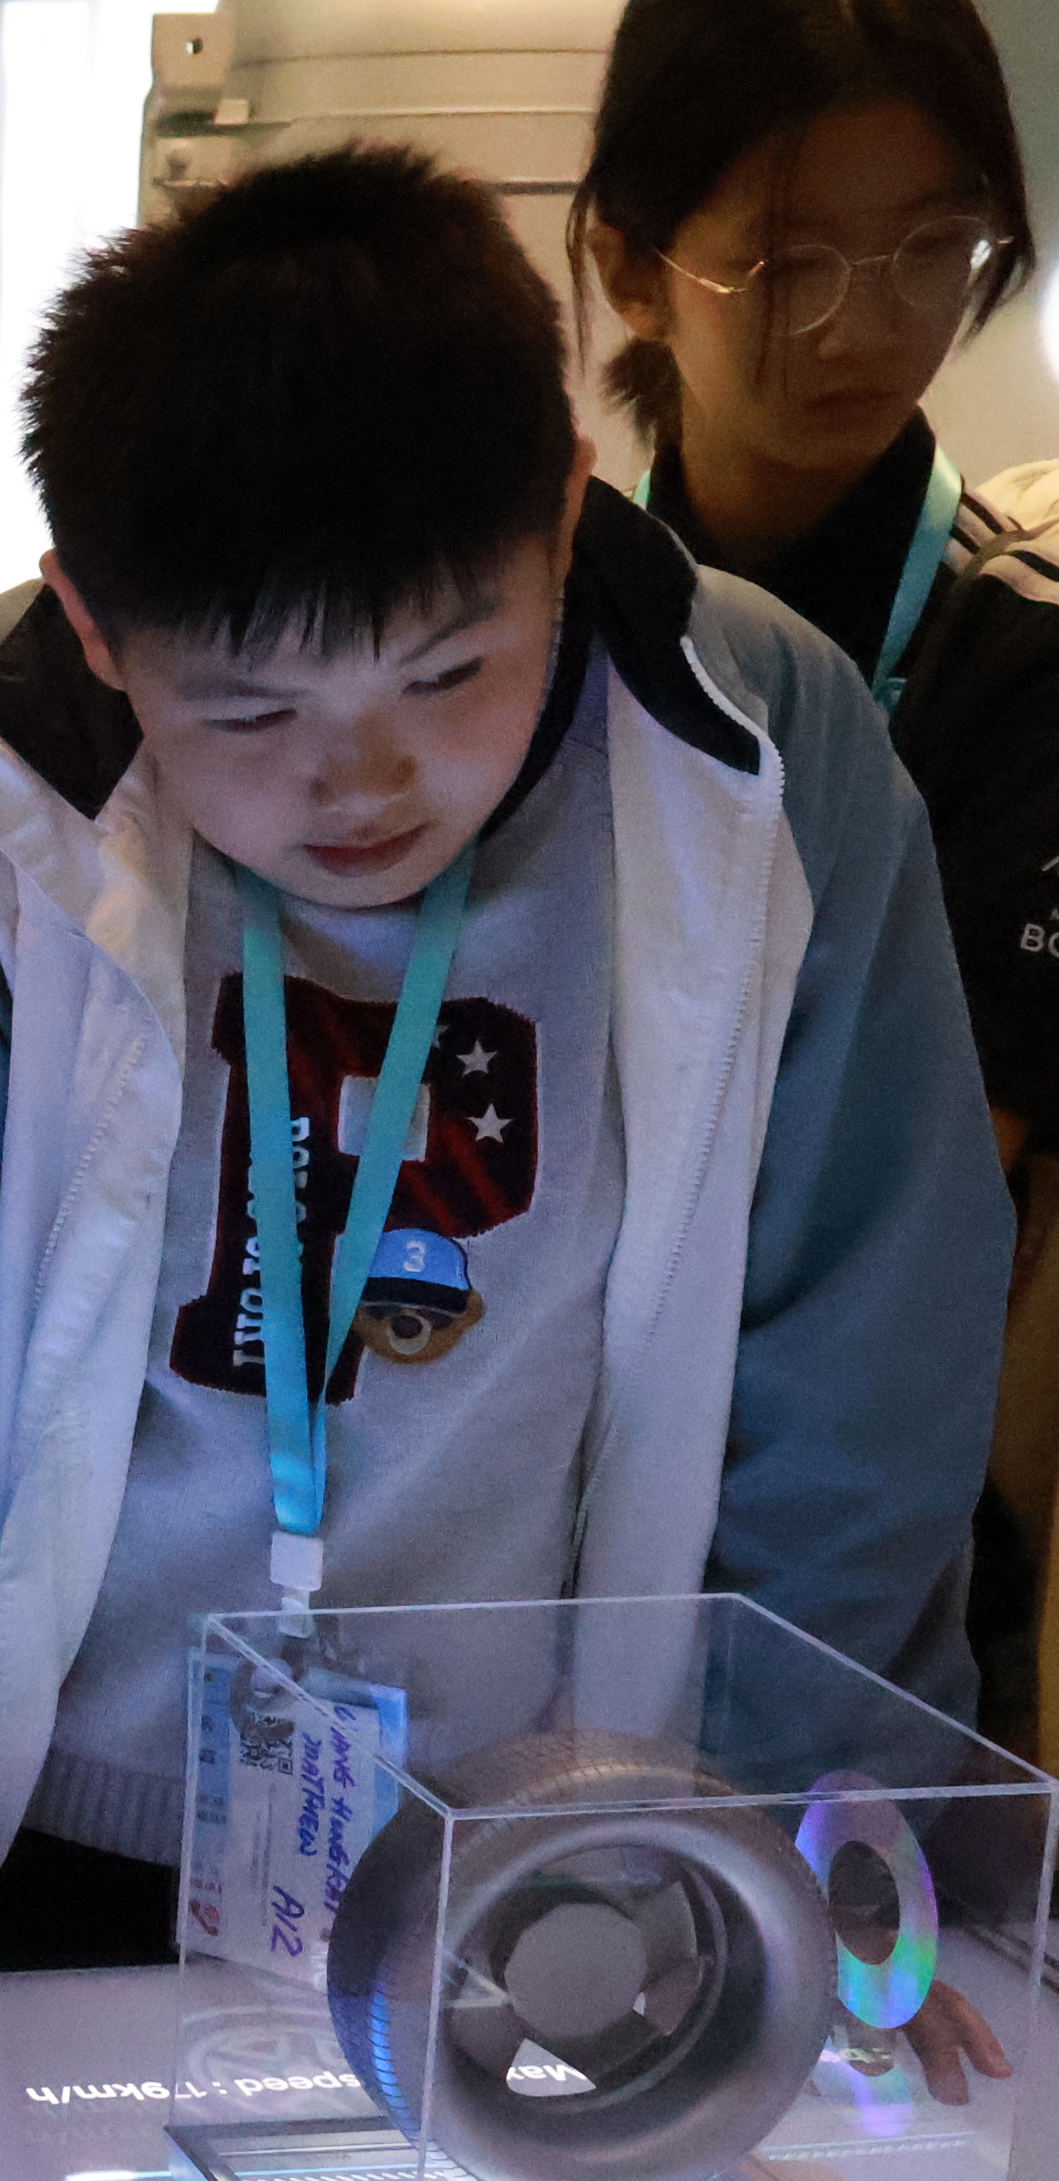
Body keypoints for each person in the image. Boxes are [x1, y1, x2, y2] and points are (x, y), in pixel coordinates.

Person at [0, 145, 1010, 2096]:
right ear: (95, 626)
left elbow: (865, 1337)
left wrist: (809, 1821)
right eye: (246, 714)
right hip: (63, 1796)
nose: (360, 783)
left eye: (450, 672)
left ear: (566, 512)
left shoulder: (764, 734)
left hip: (574, 1825)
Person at [572, 0, 1059, 1760]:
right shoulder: (523, 637)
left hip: (870, 1570)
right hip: (524, 1516)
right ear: (633, 271)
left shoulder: (1024, 650)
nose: (871, 324)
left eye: (933, 248)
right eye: (789, 264)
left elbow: (916, 1221)